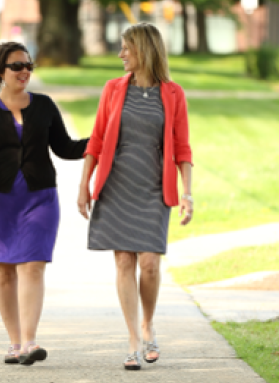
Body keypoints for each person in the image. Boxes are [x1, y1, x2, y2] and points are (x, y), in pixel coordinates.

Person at [77, 23, 194, 371]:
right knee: (124, 262)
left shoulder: (173, 94)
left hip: (153, 189)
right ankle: (133, 337)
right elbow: (96, 140)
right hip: (116, 186)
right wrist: (84, 183)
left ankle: (148, 324)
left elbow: (183, 149)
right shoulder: (113, 89)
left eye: (126, 48)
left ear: (144, 50)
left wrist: (188, 193)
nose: (120, 54)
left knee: (150, 264)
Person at [0, 41, 88, 366]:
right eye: (16, 66)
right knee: (3, 270)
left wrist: (101, 140)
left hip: (40, 196)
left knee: (33, 265)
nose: (24, 71)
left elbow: (65, 147)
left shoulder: (45, 105)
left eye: (28, 65)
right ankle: (14, 342)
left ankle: (30, 343)